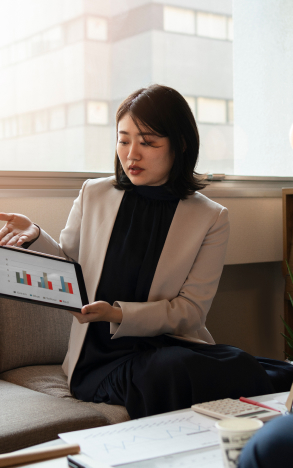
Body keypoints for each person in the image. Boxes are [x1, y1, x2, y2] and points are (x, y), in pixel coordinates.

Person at [0, 84, 291, 419]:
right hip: (101, 357)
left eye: (148, 142)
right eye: (123, 140)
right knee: (167, 371)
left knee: (235, 361)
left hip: (170, 343)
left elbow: (190, 311)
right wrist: (35, 235)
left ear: (180, 144)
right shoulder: (94, 193)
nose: (131, 154)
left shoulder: (210, 216)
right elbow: (70, 266)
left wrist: (118, 314)